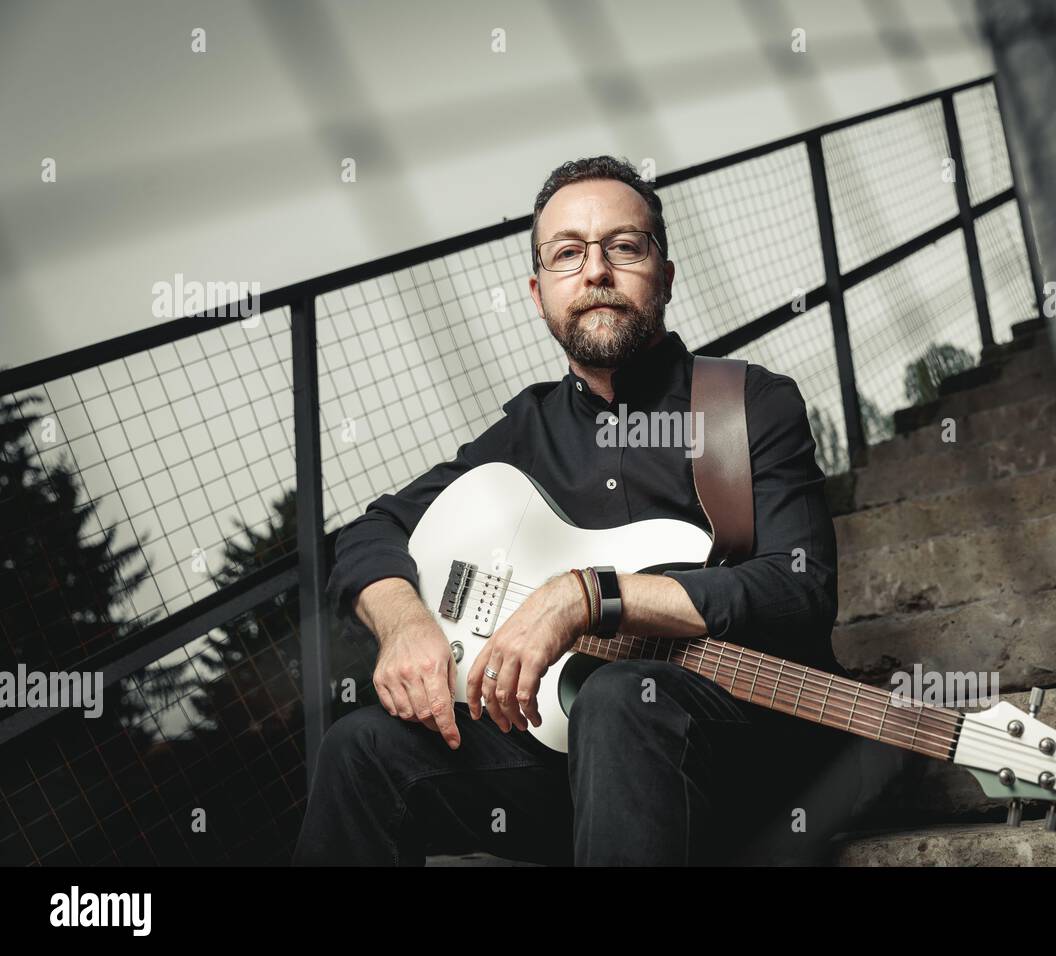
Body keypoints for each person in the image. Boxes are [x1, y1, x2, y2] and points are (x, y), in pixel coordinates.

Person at [291, 155, 904, 866]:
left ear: (665, 276)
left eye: (623, 246)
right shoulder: (523, 435)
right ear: (538, 291)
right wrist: (402, 624)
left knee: (622, 695)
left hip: (746, 751)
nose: (595, 271)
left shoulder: (747, 405)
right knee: (360, 748)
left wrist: (586, 597)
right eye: (567, 254)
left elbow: (798, 592)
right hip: (572, 773)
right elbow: (373, 532)